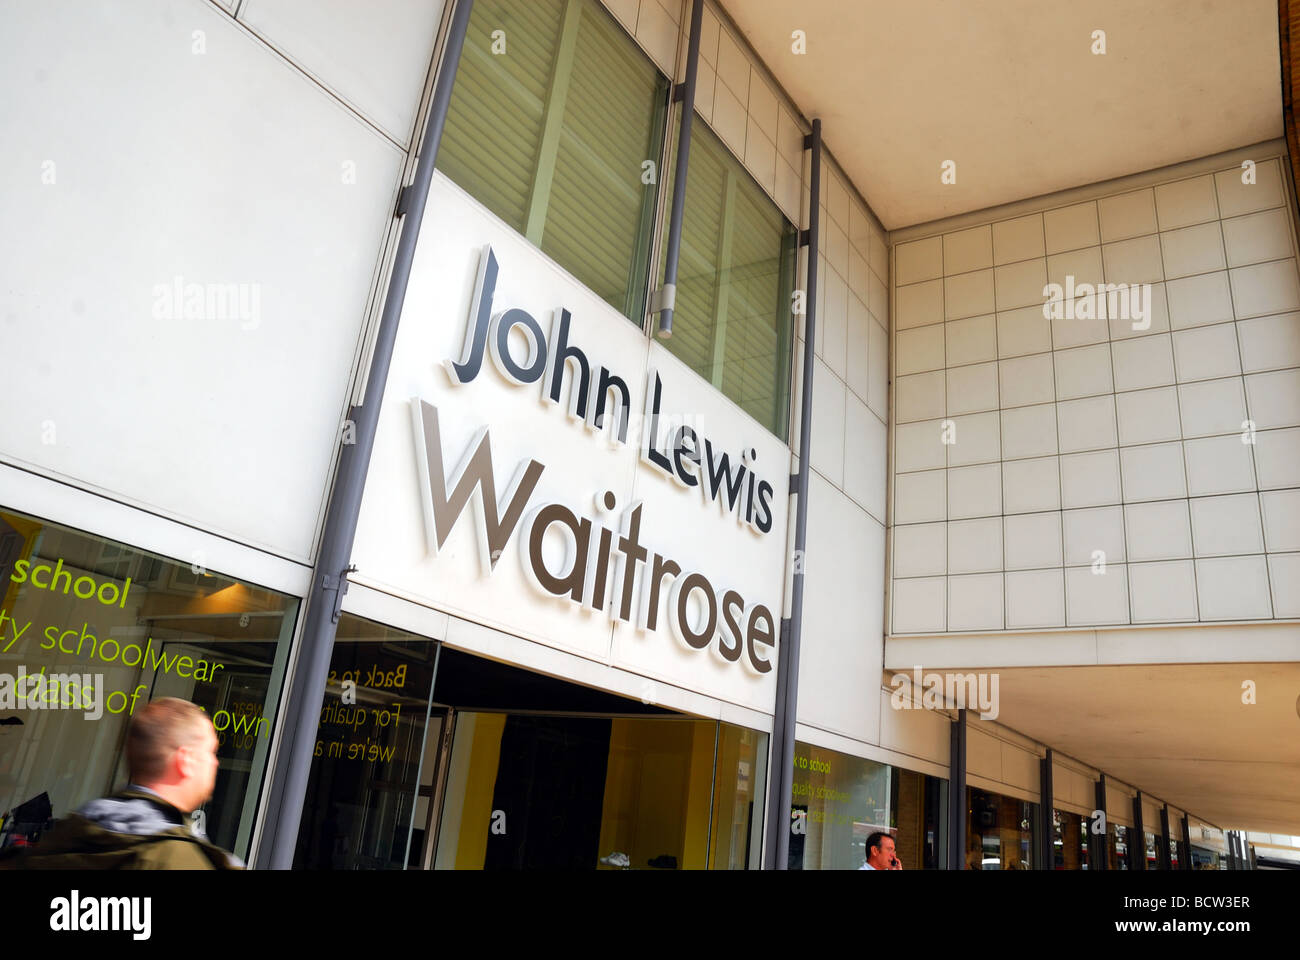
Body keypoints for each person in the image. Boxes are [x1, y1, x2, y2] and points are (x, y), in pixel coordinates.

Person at [0, 697, 241, 869]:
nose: (215, 763)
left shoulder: (61, 839)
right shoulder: (181, 860)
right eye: (210, 752)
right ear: (185, 760)